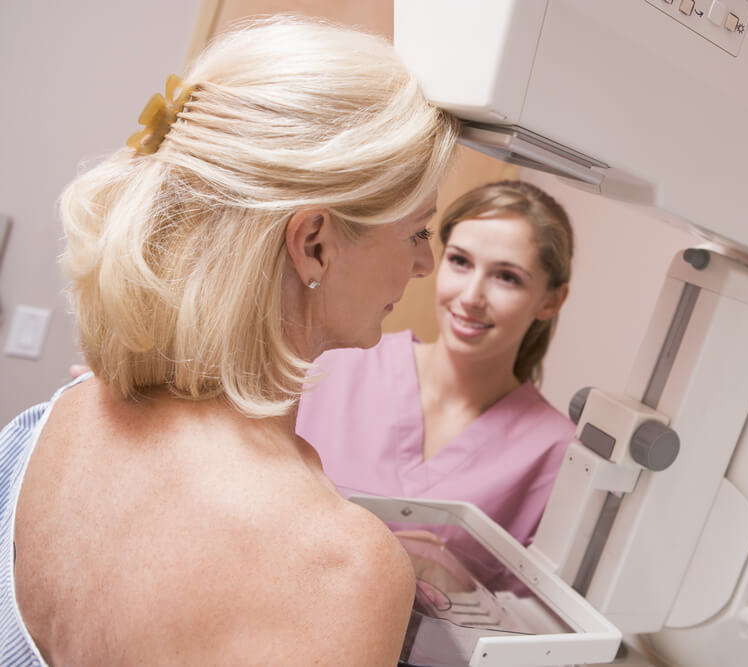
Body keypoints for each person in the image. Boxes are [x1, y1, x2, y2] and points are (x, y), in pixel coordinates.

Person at [0, 15, 458, 666]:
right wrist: (356, 582)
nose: (424, 265)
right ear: (315, 242)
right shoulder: (342, 569)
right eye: (417, 231)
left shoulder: (56, 419)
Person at [296, 180, 575, 584]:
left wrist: (457, 584)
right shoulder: (337, 360)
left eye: (507, 278)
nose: (471, 297)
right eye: (460, 262)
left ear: (551, 300)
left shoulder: (556, 452)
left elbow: (527, 624)